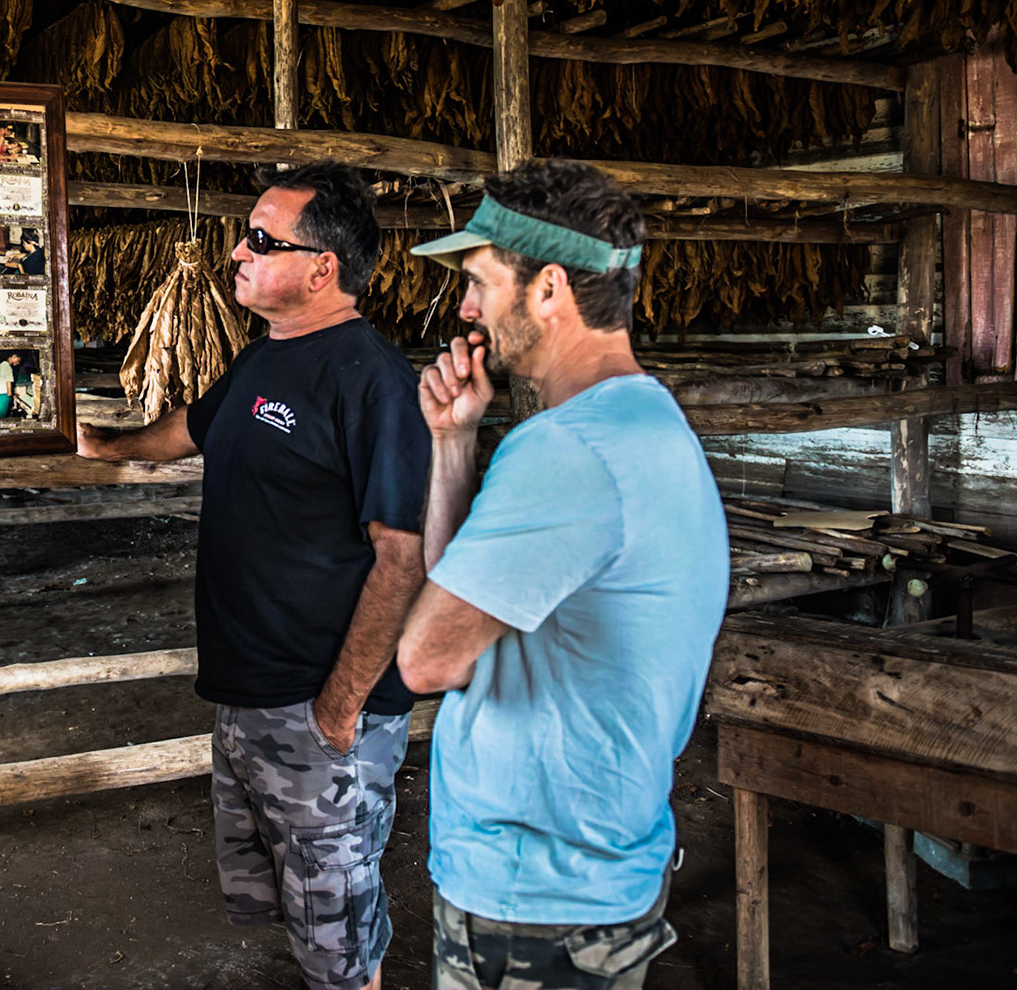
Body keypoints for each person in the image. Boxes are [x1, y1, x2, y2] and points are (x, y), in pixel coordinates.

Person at [77, 161, 430, 990]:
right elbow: (191, 429)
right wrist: (108, 445)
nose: (237, 249)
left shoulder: (369, 379)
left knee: (340, 945)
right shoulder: (264, 360)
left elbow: (403, 557)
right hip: (250, 698)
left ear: (321, 267)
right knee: (296, 911)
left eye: (262, 239)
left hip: (319, 709)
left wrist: (340, 706)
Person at [394, 160, 728, 990]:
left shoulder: (566, 450)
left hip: (533, 892)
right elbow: (464, 604)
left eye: (478, 282)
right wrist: (451, 444)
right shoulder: (643, 422)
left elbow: (430, 659)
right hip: (597, 869)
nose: (465, 309)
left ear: (547, 289)